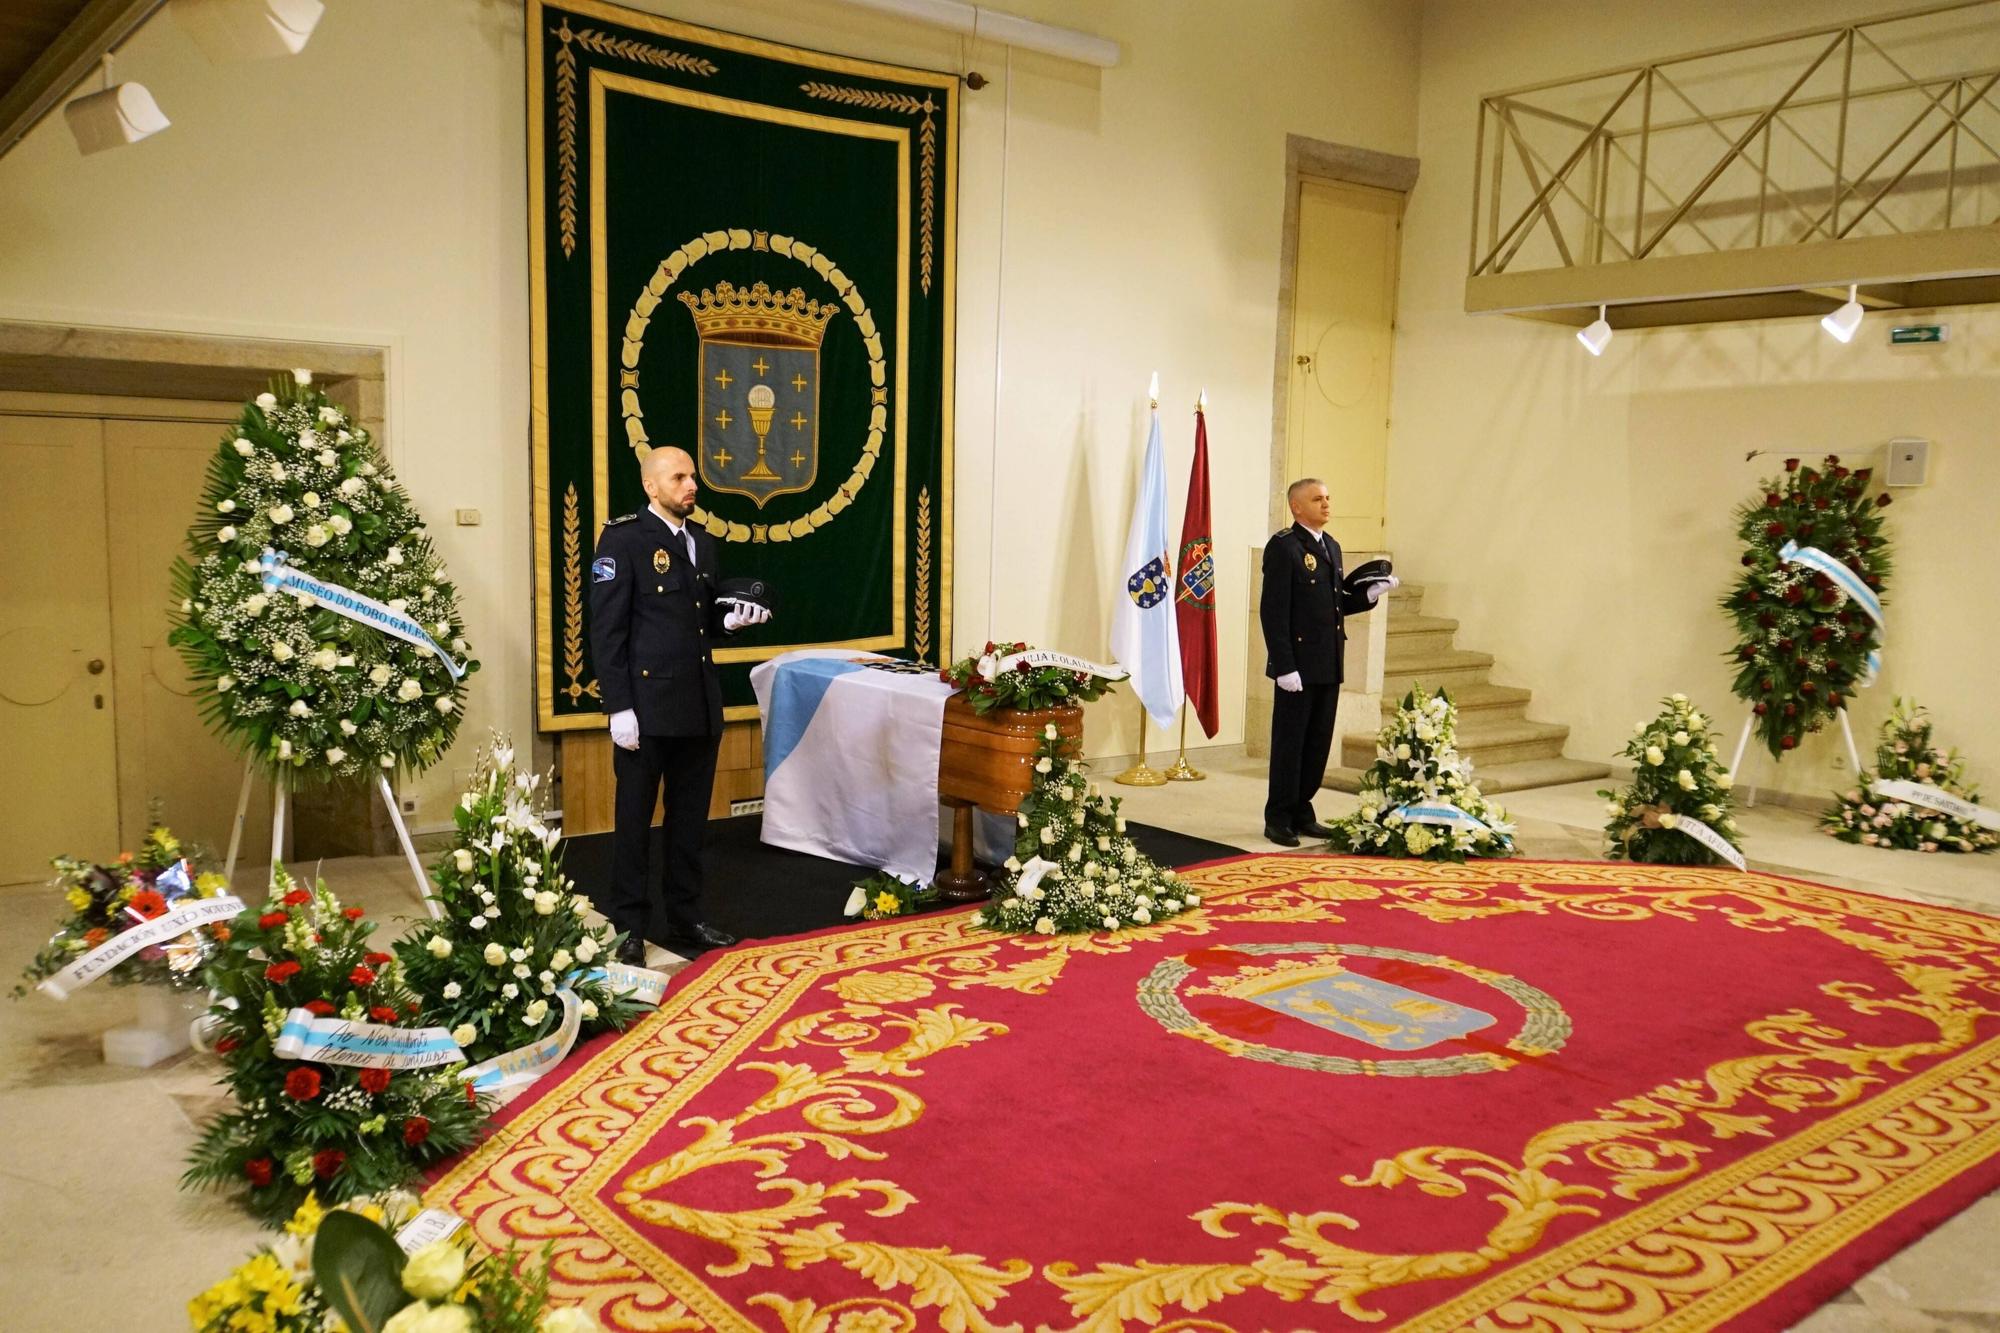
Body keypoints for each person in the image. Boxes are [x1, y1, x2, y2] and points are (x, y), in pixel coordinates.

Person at [588, 445, 772, 964]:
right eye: (678, 477)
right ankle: (629, 926)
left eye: (692, 476)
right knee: (634, 823)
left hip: (697, 705)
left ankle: (686, 918)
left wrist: (729, 623)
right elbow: (606, 631)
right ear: (651, 486)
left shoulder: (701, 542)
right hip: (645, 710)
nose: (691, 485)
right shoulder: (622, 538)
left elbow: (699, 620)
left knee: (689, 823)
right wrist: (618, 708)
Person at [1259, 477, 1397, 846]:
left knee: (1317, 742)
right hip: (1297, 668)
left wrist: (1367, 595)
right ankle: (1279, 817)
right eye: (1317, 499)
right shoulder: (1284, 547)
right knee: (1290, 743)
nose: (1326, 504)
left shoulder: (1331, 546)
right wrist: (1284, 666)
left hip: (1327, 662)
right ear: (1297, 507)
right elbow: (1273, 612)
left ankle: (1303, 809)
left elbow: (1334, 604)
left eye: (1328, 498)